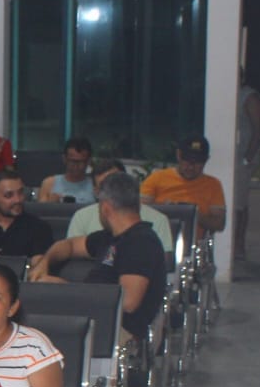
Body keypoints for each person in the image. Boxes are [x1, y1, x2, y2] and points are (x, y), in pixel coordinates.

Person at [31, 171, 167, 350]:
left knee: (32, 335)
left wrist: (64, 289)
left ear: (105, 208)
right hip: (90, 320)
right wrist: (45, 263)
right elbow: (69, 245)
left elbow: (128, 302)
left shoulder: (141, 242)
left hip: (115, 333)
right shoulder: (110, 238)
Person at [65, 161, 175, 252]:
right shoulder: (82, 217)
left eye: (116, 183)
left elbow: (166, 262)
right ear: (96, 192)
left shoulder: (158, 220)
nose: (112, 189)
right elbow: (70, 251)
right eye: (105, 186)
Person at [139, 135, 226, 235]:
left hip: (193, 240)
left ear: (206, 160)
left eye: (197, 162)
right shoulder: (157, 178)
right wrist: (167, 210)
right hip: (158, 238)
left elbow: (219, 224)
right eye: (187, 160)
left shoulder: (213, 185)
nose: (191, 167)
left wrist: (193, 214)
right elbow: (139, 210)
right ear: (178, 155)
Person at [234, 77, 260, 259]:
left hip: (242, 159)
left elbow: (259, 129)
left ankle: (238, 245)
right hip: (230, 157)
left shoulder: (250, 98)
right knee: (236, 202)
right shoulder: (227, 95)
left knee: (239, 203)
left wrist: (247, 158)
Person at [37, 137, 96, 204]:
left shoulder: (96, 184)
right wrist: (50, 204)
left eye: (81, 161)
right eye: (73, 161)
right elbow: (39, 209)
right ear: (64, 159)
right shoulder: (49, 183)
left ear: (88, 161)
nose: (76, 165)